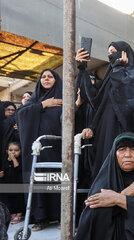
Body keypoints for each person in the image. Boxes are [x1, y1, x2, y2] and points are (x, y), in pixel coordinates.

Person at [75, 41, 134, 180]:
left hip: (124, 131)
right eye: (109, 53)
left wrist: (120, 70)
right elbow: (91, 97)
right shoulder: (109, 77)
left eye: (114, 52)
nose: (110, 56)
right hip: (104, 132)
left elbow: (128, 102)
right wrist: (82, 68)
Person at [17, 69, 63, 231]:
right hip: (37, 151)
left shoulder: (62, 97)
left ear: (56, 80)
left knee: (58, 181)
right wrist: (43, 105)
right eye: (43, 77)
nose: (46, 79)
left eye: (50, 77)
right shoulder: (35, 99)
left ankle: (61, 217)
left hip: (58, 149)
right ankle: (41, 219)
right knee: (37, 182)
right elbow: (21, 114)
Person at [0, 142, 24, 224]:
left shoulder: (20, 160)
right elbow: (3, 169)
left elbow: (17, 168)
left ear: (20, 151)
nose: (13, 152)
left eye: (16, 150)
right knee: (10, 200)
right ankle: (13, 214)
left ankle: (19, 214)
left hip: (18, 184)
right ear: (7, 151)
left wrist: (14, 159)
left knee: (18, 200)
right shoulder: (5, 160)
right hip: (7, 184)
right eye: (10, 150)